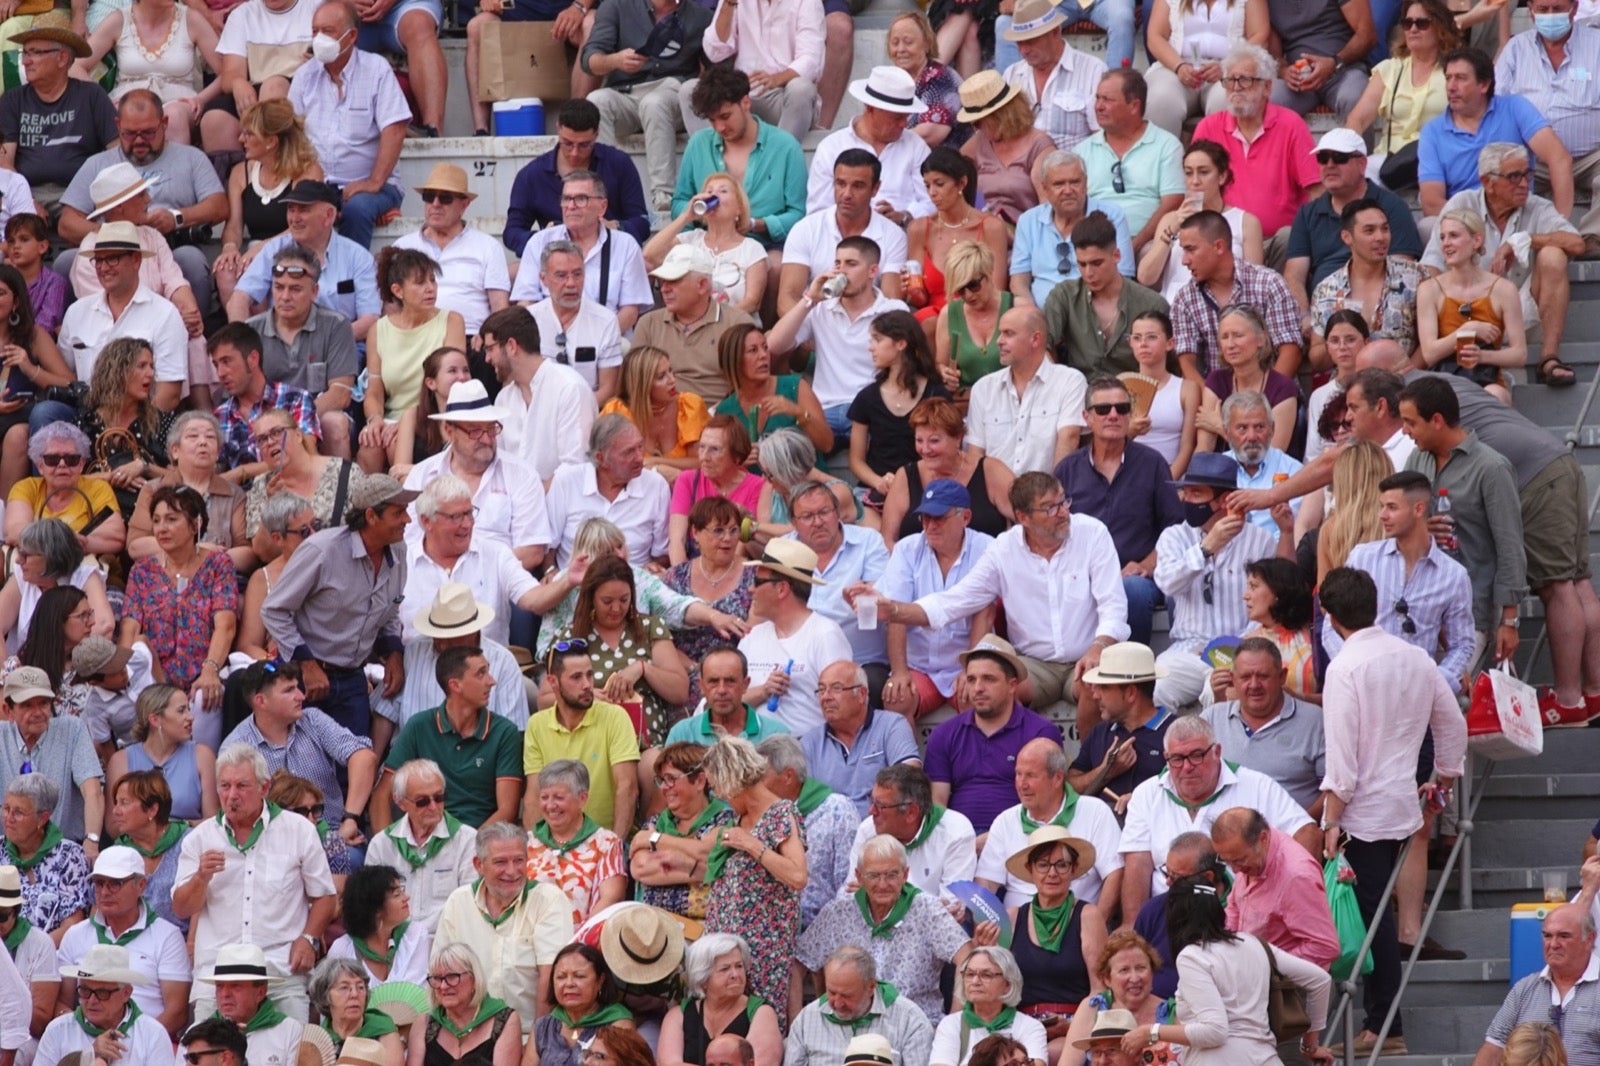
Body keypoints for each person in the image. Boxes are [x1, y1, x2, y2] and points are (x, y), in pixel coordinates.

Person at [1319, 565, 1467, 1058]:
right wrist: (1441, 778)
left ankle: (1384, 1026)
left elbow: (1342, 760)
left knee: (1373, 917)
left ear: (1328, 614)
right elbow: (1452, 724)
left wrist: (1331, 820)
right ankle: (1382, 1022)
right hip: (1401, 804)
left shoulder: (1344, 668)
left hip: (1362, 811)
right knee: (1374, 913)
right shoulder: (1416, 656)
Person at [866, 471, 1126, 719]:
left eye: (1063, 502)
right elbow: (955, 601)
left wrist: (1099, 647)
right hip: (1032, 664)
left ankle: (1087, 764)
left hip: (1087, 654)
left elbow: (1113, 604)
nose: (1063, 513)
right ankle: (1016, 762)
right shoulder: (1004, 548)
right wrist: (894, 611)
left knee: (1096, 687)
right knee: (995, 691)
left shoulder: (1093, 533)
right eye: (1049, 508)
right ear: (1023, 517)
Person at [173, 743, 336, 1019]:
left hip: (280, 969)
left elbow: (325, 896)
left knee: (292, 1055)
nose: (232, 795)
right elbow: (181, 908)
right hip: (216, 975)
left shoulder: (299, 830)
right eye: (224, 786)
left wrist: (309, 939)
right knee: (207, 1058)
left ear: (264, 787)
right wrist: (201, 877)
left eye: (242, 786)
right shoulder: (199, 839)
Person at [1118, 716, 1317, 921]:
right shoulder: (1146, 794)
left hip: (1243, 920)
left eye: (1197, 755)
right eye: (1177, 759)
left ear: (1217, 752)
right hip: (1168, 919)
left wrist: (1278, 901)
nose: (1187, 767)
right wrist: (1132, 925)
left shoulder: (1256, 785)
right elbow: (1137, 865)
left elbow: (1307, 832)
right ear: (1166, 757)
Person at [1422, 142, 1585, 387]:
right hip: (1468, 311)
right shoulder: (1463, 204)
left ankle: (1549, 358)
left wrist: (1528, 239)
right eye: (1514, 177)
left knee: (1553, 255)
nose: (1524, 184)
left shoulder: (1536, 206)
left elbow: (1577, 244)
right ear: (1487, 182)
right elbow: (1433, 265)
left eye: (1527, 175)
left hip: (1523, 307)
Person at [260, 474, 412, 735]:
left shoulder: (398, 551)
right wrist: (308, 666)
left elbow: (390, 611)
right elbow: (273, 610)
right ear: (371, 516)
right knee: (302, 771)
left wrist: (394, 656)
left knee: (351, 768)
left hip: (353, 678)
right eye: (398, 513)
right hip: (304, 680)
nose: (407, 520)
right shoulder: (322, 550)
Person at [1399, 375, 1527, 663]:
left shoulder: (1491, 468)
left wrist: (1509, 620)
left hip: (1471, 612)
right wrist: (1420, 528)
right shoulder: (1416, 460)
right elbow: (1397, 519)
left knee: (1456, 698)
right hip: (1419, 609)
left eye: (1411, 422)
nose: (1405, 431)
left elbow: (1510, 545)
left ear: (1437, 420)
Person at [1146, 872, 1333, 1063]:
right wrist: (1309, 1045)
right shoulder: (1254, 944)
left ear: (1176, 916)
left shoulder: (1192, 956)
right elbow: (1321, 981)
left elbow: (1214, 1031)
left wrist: (1151, 1031)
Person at [1151, 451, 1287, 707]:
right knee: (1158, 685)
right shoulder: (1174, 536)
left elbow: (1271, 604)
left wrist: (1235, 646)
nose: (1187, 500)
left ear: (1223, 500)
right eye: (1186, 493)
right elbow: (1167, 583)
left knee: (1218, 691)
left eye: (1196, 494)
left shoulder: (1259, 539)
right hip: (1187, 650)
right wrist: (1205, 548)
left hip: (1240, 649)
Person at [1055, 376, 1183, 646]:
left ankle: (1129, 673)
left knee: (1132, 590)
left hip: (1138, 575)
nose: (1113, 415)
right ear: (1087, 418)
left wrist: (1147, 565)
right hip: (1082, 573)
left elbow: (1175, 528)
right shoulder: (1068, 469)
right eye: (1103, 410)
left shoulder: (1153, 464)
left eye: (1122, 409)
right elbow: (1052, 526)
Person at [797, 834, 977, 1023]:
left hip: (914, 1026)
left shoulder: (926, 908)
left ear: (905, 874)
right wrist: (797, 1019)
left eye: (891, 875)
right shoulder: (839, 911)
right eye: (873, 875)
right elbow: (799, 961)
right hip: (849, 1025)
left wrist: (954, 1024)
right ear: (859, 876)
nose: (882, 884)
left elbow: (966, 956)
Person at [700, 734, 807, 1030]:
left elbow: (798, 876)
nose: (718, 796)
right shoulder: (738, 819)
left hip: (763, 953)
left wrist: (752, 846)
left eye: (718, 787)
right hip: (726, 950)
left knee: (758, 1030)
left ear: (732, 779)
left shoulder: (781, 813)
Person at [283, 1, 408, 249]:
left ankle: (350, 280)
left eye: (327, 31)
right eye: (314, 31)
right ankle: (308, 279)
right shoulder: (305, 75)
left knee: (358, 208)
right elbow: (292, 135)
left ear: (351, 36)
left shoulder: (376, 70)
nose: (318, 38)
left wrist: (372, 183)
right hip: (319, 184)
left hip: (374, 185)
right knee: (299, 210)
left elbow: (394, 129)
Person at [434, 822, 574, 1031]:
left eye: (519, 860)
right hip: (469, 1033)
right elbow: (440, 974)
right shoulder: (458, 902)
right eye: (500, 862)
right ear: (478, 865)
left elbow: (552, 975)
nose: (512, 871)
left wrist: (536, 1045)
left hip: (528, 1034)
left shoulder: (549, 900)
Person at [879, 485, 1001, 724]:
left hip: (965, 660)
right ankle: (908, 763)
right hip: (919, 666)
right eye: (925, 517)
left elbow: (984, 614)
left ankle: (973, 762)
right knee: (897, 697)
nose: (930, 525)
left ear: (965, 517)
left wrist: (971, 669)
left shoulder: (987, 548)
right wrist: (900, 671)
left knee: (976, 695)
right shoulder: (907, 548)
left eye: (939, 518)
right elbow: (896, 612)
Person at [580, 0, 712, 215]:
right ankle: (602, 192)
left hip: (671, 93)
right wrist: (615, 60)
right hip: (626, 92)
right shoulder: (616, 6)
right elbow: (590, 60)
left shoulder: (701, 16)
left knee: (654, 103)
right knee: (596, 100)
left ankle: (663, 194)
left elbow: (716, 65)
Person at [375, 643, 523, 830]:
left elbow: (507, 811)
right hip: (425, 840)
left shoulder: (504, 731)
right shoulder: (419, 726)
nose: (491, 681)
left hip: (481, 842)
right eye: (481, 673)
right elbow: (382, 795)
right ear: (455, 685)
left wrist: (467, 848)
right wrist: (387, 849)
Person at [117, 484, 237, 713]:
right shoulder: (142, 571)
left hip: (202, 681)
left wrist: (210, 670)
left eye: (172, 519)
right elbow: (129, 632)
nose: (162, 528)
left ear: (196, 524)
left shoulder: (218, 565)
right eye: (156, 520)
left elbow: (226, 626)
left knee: (204, 699)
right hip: (153, 683)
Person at [1418, 47, 1572, 219]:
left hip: (1517, 215)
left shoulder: (1515, 108)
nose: (1451, 87)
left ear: (1484, 84)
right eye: (1448, 78)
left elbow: (1559, 158)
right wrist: (1479, 225)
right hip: (1463, 222)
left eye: (1461, 78)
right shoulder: (1432, 132)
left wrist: (1560, 221)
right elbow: (1431, 201)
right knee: (1428, 226)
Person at [229, 185, 381, 359]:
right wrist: (243, 342)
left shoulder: (358, 257)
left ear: (329, 215)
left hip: (339, 346)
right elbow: (238, 300)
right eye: (291, 210)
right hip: (283, 345)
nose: (294, 218)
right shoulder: (274, 249)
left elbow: (370, 319)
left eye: (303, 210)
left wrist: (323, 340)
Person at [673, 65, 809, 259]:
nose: (719, 127)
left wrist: (758, 224)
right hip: (708, 240)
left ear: (745, 102)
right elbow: (679, 201)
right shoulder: (698, 143)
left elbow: (799, 213)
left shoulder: (786, 146)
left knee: (775, 266)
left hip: (765, 243)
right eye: (712, 120)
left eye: (725, 116)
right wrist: (697, 212)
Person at [359, 248, 467, 471]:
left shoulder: (452, 321)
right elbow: (374, 390)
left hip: (432, 416)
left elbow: (454, 383)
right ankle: (370, 507)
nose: (430, 289)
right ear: (398, 291)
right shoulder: (378, 330)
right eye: (420, 283)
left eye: (432, 280)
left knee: (395, 444)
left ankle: (402, 505)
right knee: (368, 447)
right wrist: (375, 420)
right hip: (391, 417)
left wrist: (406, 424)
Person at [509, 173, 654, 337]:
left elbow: (630, 311)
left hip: (609, 340)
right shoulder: (539, 243)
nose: (571, 206)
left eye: (581, 199)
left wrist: (597, 343)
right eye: (566, 199)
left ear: (602, 207)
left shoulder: (625, 245)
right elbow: (526, 303)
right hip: (549, 341)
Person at [210, 100, 324, 308]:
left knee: (261, 273)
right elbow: (234, 226)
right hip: (255, 251)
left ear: (271, 141)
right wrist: (229, 248)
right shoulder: (240, 172)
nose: (240, 139)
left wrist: (264, 248)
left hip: (295, 250)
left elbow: (303, 227)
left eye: (248, 134)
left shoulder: (308, 171)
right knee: (226, 271)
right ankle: (241, 335)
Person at [523, 640, 641, 837]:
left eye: (589, 675)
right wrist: (536, 849)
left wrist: (614, 847)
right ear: (553, 682)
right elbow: (533, 796)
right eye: (576, 677)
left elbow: (627, 788)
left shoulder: (615, 716)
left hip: (606, 839)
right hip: (555, 843)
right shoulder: (537, 724)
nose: (587, 685)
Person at [1170, 212, 1303, 386]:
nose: (1184, 261)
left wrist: (1265, 397)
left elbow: (1290, 350)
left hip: (1273, 397)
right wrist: (1213, 401)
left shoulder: (1268, 283)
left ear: (1218, 246)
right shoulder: (1184, 299)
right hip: (1217, 399)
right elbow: (1186, 361)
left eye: (1190, 249)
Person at [737, 539, 853, 735]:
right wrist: (763, 691)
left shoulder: (825, 634)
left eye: (757, 583)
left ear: (782, 589)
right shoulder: (752, 637)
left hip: (807, 752)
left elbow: (844, 707)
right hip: (750, 751)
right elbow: (725, 700)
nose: (750, 589)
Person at [504, 101, 651, 254]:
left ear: (596, 134)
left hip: (611, 254)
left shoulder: (619, 163)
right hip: (557, 260)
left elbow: (642, 223)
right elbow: (512, 233)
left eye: (584, 145)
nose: (574, 153)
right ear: (558, 128)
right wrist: (545, 238)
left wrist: (614, 227)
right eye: (567, 143)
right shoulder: (531, 175)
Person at [0, 22, 116, 212]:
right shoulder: (12, 100)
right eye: (25, 53)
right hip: (28, 193)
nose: (25, 61)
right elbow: (5, 163)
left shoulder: (91, 96)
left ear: (62, 58)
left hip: (83, 194)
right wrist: (27, 202)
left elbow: (116, 152)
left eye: (34, 53)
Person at [1415, 207, 1529, 402]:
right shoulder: (1429, 289)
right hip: (1444, 379)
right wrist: (1467, 330)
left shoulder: (1503, 289)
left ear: (1476, 241)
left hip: (1486, 378)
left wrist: (1481, 356)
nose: (1446, 244)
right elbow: (1430, 353)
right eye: (1442, 237)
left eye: (1454, 236)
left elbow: (1519, 355)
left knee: (1497, 395)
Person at [391, 165, 512, 349]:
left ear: (464, 205)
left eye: (445, 198)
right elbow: (391, 305)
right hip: (415, 337)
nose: (436, 204)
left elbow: (500, 307)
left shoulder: (487, 246)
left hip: (472, 338)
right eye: (429, 197)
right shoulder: (402, 246)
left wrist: (487, 335)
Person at [777, 151, 908, 317]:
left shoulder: (893, 235)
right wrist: (808, 336)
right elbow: (787, 298)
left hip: (869, 330)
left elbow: (891, 302)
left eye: (858, 186)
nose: (846, 194)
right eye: (840, 184)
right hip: (812, 328)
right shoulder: (806, 228)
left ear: (875, 189)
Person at [1211, 806, 1339, 973]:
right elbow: (1234, 908)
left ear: (1263, 839)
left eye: (1239, 860)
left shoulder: (1296, 877)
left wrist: (1267, 966)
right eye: (1227, 861)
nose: (1235, 870)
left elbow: (1324, 946)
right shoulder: (1252, 851)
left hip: (1288, 988)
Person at [478, 307, 597, 487]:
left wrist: (529, 501)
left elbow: (575, 469)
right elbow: (499, 465)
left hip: (560, 509)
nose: (486, 359)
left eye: (490, 349)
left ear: (511, 346)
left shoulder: (569, 388)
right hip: (514, 506)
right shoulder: (504, 398)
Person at [1139, 141, 1265, 306]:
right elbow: (1146, 278)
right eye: (1188, 173)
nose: (1195, 181)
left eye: (1204, 172)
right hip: (1174, 308)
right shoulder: (1171, 219)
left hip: (1228, 308)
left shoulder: (1246, 222)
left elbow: (1254, 283)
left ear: (1222, 176)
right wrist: (1172, 229)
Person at [1345, 0, 1457, 187]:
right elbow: (1357, 120)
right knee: (1358, 181)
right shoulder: (1389, 69)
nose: (1413, 29)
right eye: (1407, 23)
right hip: (1391, 163)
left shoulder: (1453, 71)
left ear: (1440, 28)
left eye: (1421, 23)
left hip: (1439, 159)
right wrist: (1349, 155)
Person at [1045, 214, 1171, 379]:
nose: (1089, 273)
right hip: (1078, 395)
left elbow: (1170, 367)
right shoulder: (1064, 296)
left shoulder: (1152, 304)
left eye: (1097, 263)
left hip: (1136, 396)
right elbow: (1040, 346)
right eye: (1082, 265)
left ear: (1116, 256)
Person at [678, 0, 822, 144]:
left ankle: (778, 159)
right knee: (689, 91)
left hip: (782, 96)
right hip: (740, 96)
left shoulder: (807, 2)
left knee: (801, 88)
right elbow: (714, 52)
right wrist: (728, 6)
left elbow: (811, 59)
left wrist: (777, 79)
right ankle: (714, 161)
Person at [966, 306, 1087, 474]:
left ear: (1035, 339)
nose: (999, 341)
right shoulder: (983, 388)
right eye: (1000, 333)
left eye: (1008, 333)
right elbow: (975, 453)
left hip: (1048, 494)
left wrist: (1053, 494)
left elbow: (1069, 439)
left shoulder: (1069, 381)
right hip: (993, 496)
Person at [1473, 906, 1598, 1066]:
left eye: (1564, 936)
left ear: (1589, 939)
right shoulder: (1524, 989)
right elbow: (1493, 1049)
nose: (1553, 944)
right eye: (1547, 936)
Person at [365, 758, 478, 933]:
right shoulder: (382, 844)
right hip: (395, 941)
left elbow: (469, 904)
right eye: (422, 801)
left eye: (439, 798)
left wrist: (419, 935)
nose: (433, 806)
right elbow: (372, 905)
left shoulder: (467, 839)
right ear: (400, 802)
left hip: (446, 941)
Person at [126, 412, 251, 570]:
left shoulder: (234, 493)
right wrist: (198, 551)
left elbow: (247, 553)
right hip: (165, 581)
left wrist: (210, 562)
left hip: (217, 581)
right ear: (175, 451)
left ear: (218, 452)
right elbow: (135, 546)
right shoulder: (155, 489)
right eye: (193, 436)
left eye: (210, 437)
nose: (203, 442)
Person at [881, 398, 1015, 544]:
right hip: (917, 566)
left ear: (958, 438)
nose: (925, 449)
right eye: (919, 441)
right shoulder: (906, 476)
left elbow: (1028, 518)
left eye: (934, 441)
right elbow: (887, 539)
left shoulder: (990, 470)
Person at [1077, 71, 1184, 253]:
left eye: (1108, 100)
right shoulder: (1081, 151)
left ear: (1134, 106)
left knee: (1158, 254)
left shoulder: (1167, 145)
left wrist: (1134, 246)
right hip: (1093, 245)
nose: (1098, 107)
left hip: (1147, 242)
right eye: (1097, 98)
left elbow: (1173, 202)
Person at [758, 733, 856, 928]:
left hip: (825, 929)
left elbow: (849, 886)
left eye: (761, 776)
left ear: (788, 776)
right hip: (771, 928)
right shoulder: (760, 814)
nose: (757, 785)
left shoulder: (837, 810)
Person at [629, 740, 735, 921]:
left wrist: (656, 840)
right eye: (661, 780)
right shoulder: (658, 822)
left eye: (671, 779)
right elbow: (641, 868)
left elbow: (706, 852)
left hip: (703, 930)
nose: (663, 788)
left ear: (700, 781)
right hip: (653, 930)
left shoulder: (725, 820)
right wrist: (699, 870)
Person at [907, 152, 1009, 331]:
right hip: (933, 319)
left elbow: (997, 290)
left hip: (979, 314)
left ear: (961, 183)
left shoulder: (991, 227)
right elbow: (920, 298)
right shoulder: (919, 229)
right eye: (927, 185)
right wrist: (912, 292)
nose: (932, 193)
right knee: (927, 322)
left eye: (939, 184)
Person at [1068, 644, 1178, 808]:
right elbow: (1069, 788)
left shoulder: (1176, 733)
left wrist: (1141, 800)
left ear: (1131, 693)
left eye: (1104, 687)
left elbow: (1188, 791)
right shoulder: (1100, 731)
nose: (1095, 695)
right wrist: (1105, 770)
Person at [784, 947, 935, 1066]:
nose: (837, 1003)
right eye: (832, 992)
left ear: (871, 986)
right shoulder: (807, 1019)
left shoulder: (910, 1020)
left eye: (846, 995)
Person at [643, 181, 768, 320]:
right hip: (690, 329)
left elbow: (752, 302)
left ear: (739, 208)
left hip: (733, 331)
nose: (713, 195)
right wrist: (685, 217)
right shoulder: (690, 239)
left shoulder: (752, 248)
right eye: (709, 192)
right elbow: (649, 256)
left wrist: (714, 321)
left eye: (723, 191)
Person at [1143, 0, 1268, 136]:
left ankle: (1220, 156)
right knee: (1160, 99)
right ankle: (1164, 156)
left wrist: (1228, 66)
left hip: (1231, 69)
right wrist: (1179, 66)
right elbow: (1155, 36)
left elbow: (1260, 35)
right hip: (1175, 66)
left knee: (1227, 100)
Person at [525, 761, 626, 925]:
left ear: (582, 798)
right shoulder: (527, 842)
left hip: (580, 943)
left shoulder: (606, 843)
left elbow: (611, 897)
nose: (550, 806)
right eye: (544, 797)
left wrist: (577, 941)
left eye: (558, 797)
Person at [998, 0, 1106, 153]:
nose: (1023, 51)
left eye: (1030, 41)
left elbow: (1102, 138)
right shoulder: (1012, 74)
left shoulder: (1093, 70)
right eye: (1019, 43)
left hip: (1073, 170)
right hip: (1022, 170)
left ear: (1055, 32)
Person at [714, 327, 832, 465]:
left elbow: (826, 444)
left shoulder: (795, 387)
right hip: (756, 485)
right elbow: (720, 466)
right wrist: (738, 463)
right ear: (733, 359)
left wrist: (797, 412)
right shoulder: (725, 411)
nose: (763, 355)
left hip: (803, 483)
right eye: (753, 350)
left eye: (765, 347)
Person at [37, 943, 173, 1064]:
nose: (92, 1001)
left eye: (102, 993)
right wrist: (88, 1055)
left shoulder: (153, 1034)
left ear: (126, 993)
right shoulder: (58, 1029)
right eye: (85, 991)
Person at [658, 935, 783, 1066]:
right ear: (703, 979)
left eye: (739, 966)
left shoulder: (761, 1013)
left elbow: (761, 1063)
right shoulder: (679, 1014)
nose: (735, 975)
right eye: (725, 969)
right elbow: (668, 1063)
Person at [953, 72, 1057, 228]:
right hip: (981, 230)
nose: (975, 128)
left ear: (1001, 116)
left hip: (1025, 233)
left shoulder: (1039, 146)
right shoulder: (979, 141)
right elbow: (948, 173)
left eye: (978, 122)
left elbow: (1048, 207)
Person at [0, 517, 113, 660]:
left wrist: (63, 662)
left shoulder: (83, 576)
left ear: (50, 557)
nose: (18, 560)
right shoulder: (23, 576)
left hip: (69, 671)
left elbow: (104, 626)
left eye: (25, 555)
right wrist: (5, 674)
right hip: (22, 672)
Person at [105, 681, 213, 823]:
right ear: (155, 719)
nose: (190, 717)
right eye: (181, 710)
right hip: (136, 844)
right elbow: (113, 826)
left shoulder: (203, 756)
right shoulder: (120, 761)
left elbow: (213, 822)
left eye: (189, 709)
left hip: (189, 842)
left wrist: (171, 829)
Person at [602, 345, 710, 484]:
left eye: (670, 371)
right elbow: (606, 464)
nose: (672, 380)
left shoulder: (690, 406)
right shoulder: (617, 411)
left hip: (687, 490)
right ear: (642, 384)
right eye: (661, 376)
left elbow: (701, 462)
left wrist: (656, 463)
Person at [1, 772, 93, 935]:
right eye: (6, 809)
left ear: (42, 818)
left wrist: (36, 953)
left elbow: (72, 925)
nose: (9, 818)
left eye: (18, 812)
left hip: (51, 954)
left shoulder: (70, 856)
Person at [1060, 935, 1176, 1063]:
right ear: (1107, 979)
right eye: (1124, 970)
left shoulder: (1172, 1012)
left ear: (1152, 973)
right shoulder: (1092, 1006)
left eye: (1140, 968)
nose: (1134, 978)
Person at [930, 946, 1048, 1066]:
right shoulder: (951, 1024)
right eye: (970, 974)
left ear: (1008, 984)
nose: (975, 981)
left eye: (986, 975)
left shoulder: (1030, 1027)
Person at [410, 940, 525, 1061]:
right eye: (437, 978)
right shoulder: (424, 1024)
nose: (443, 986)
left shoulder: (505, 1020)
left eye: (452, 976)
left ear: (474, 979)